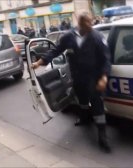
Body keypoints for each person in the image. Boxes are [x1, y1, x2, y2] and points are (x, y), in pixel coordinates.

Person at [32, 12, 112, 153]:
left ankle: (102, 136)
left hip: (94, 78)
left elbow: (106, 58)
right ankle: (85, 119)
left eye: (90, 22)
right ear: (79, 23)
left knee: (98, 106)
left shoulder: (97, 37)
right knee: (82, 100)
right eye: (86, 22)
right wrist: (41, 61)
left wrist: (104, 77)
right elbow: (56, 50)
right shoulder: (68, 37)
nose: (90, 25)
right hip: (77, 77)